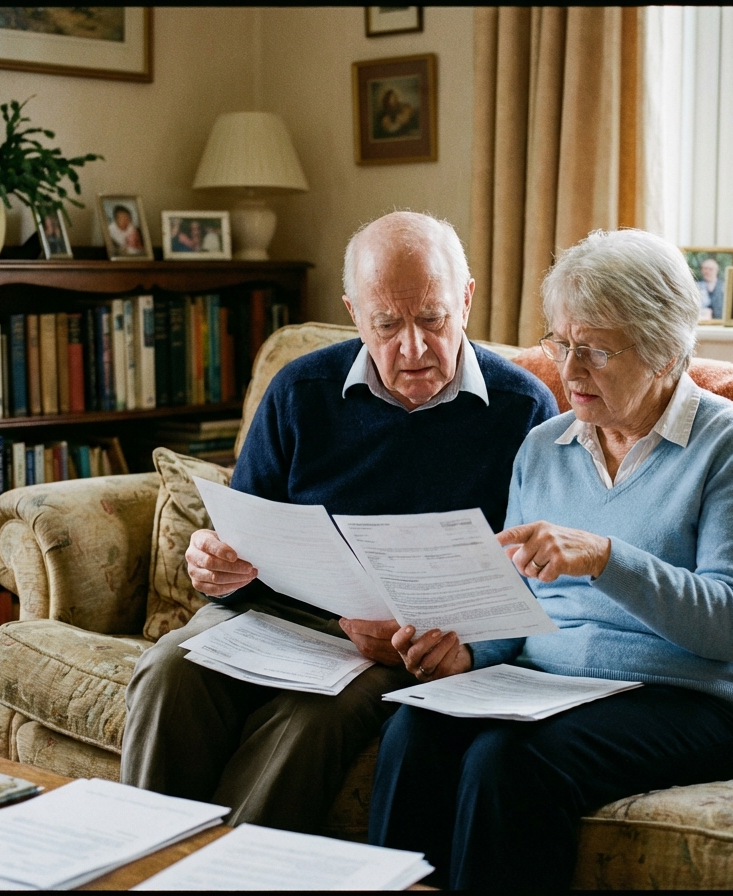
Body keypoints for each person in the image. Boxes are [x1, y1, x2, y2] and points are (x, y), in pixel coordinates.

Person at [367, 228, 733, 890]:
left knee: (507, 761)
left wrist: (604, 558)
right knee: (415, 726)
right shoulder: (544, 448)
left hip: (696, 699)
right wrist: (469, 653)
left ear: (663, 350)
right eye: (562, 344)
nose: (569, 369)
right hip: (555, 687)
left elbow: (732, 624)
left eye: (594, 350)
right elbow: (516, 604)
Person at [120, 211, 558, 834]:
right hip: (279, 617)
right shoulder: (301, 389)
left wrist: (446, 639)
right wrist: (216, 567)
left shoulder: (522, 408)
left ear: (465, 300)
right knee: (169, 671)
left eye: (432, 319)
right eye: (387, 324)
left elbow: (530, 576)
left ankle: (233, 878)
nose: (412, 348)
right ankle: (141, 859)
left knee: (311, 724)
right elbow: (243, 544)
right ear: (354, 313)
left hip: (399, 639)